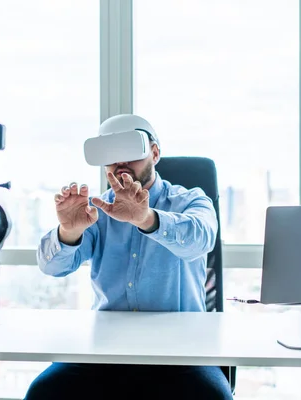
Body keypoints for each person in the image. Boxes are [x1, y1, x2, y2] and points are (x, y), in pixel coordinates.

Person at [25, 114, 233, 400]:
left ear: (155, 154)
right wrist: (68, 232)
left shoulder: (190, 200)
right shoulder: (95, 210)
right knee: (44, 393)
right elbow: (51, 267)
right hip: (105, 349)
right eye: (112, 155)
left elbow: (200, 240)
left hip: (181, 351)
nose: (121, 162)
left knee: (213, 397)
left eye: (131, 152)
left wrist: (147, 219)